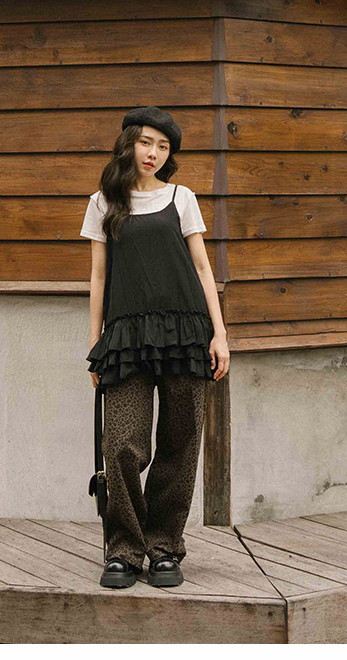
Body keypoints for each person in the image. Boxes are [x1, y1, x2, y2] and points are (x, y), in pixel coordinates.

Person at [80, 105, 230, 590]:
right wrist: (95, 343)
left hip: (186, 333)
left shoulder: (181, 198)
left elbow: (203, 269)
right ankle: (124, 550)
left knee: (181, 441)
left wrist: (219, 334)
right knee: (121, 443)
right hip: (126, 339)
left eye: (163, 146)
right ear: (129, 143)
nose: (154, 153)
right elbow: (98, 275)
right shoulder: (103, 202)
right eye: (146, 142)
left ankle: (164, 547)